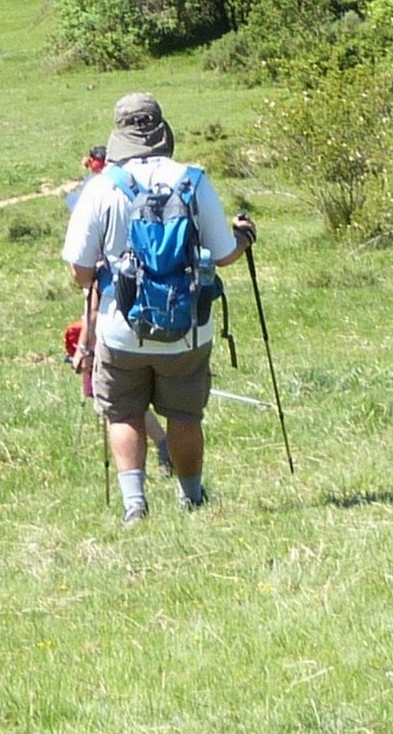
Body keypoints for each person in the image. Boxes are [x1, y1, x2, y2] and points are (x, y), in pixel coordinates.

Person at [63, 94, 252, 522]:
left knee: (124, 413)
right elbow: (224, 254)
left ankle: (135, 505)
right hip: (188, 325)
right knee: (185, 416)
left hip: (120, 326)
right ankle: (192, 498)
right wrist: (245, 237)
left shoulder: (101, 187)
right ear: (162, 131)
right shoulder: (194, 180)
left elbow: (79, 272)